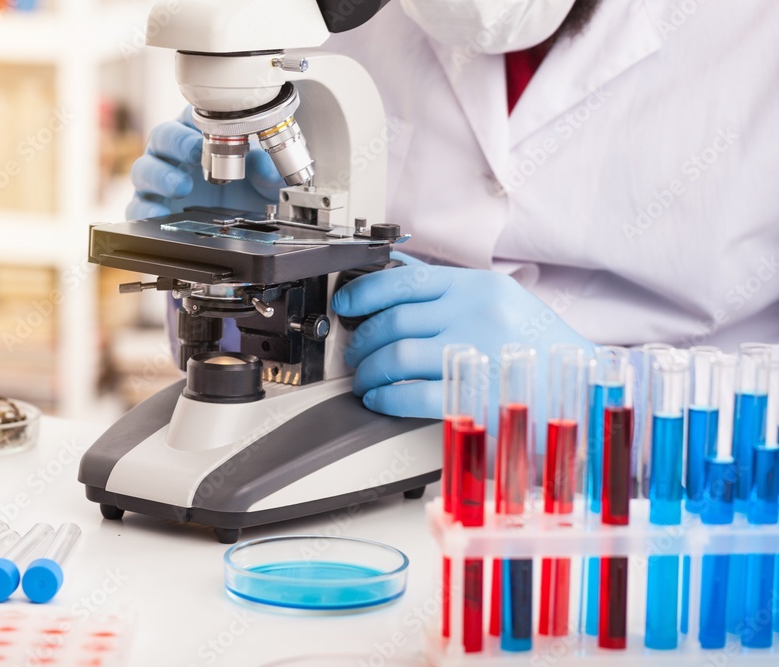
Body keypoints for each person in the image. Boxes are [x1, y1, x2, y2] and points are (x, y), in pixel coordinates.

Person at [127, 0, 779, 422]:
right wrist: (229, 270)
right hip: (352, 471)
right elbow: (247, 354)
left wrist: (602, 395)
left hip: (661, 508)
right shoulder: (337, 18)